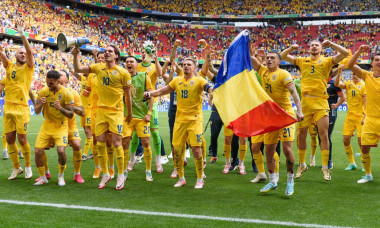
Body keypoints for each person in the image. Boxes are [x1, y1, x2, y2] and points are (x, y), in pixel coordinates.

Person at [281, 40, 349, 181]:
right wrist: (290, 48)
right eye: (311, 45)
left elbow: (345, 53)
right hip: (305, 102)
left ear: (321, 49)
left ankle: (325, 168)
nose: (314, 46)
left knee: (323, 135)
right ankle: (302, 165)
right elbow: (281, 57)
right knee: (301, 135)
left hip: (321, 101)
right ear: (309, 48)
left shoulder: (327, 61)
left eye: (316, 45)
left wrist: (331, 44)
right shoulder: (302, 60)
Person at [143, 58, 213, 189]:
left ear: (194, 68)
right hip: (179, 120)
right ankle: (181, 178)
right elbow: (161, 91)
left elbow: (208, 87)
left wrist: (211, 91)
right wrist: (149, 93)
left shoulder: (199, 80)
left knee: (196, 150)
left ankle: (199, 178)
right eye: (184, 64)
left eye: (189, 65)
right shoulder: (177, 80)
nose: (186, 66)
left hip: (194, 120)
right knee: (177, 150)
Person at [73, 45, 132, 190]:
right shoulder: (98, 67)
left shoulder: (123, 73)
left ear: (116, 55)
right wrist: (75, 55)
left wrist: (129, 113)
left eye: (110, 51)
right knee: (100, 143)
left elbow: (128, 95)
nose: (106, 53)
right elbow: (79, 69)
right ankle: (105, 173)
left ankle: (120, 175)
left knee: (117, 143)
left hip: (116, 112)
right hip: (100, 111)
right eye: (105, 51)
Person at [249, 48, 303, 196]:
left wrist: (299, 110)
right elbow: (251, 57)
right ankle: (273, 180)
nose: (269, 60)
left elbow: (293, 92)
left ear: (279, 61)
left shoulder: (283, 74)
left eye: (272, 58)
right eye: (267, 57)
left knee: (286, 150)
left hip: (285, 116)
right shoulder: (262, 71)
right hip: (270, 117)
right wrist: (246, 41)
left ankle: (290, 180)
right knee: (268, 151)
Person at [0, 21, 34, 180]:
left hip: (21, 108)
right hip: (8, 107)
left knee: (22, 139)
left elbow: (30, 52)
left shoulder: (28, 68)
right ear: (15, 55)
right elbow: (2, 56)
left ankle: (27, 165)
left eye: (24, 53)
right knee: (9, 139)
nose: (23, 54)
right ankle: (16, 168)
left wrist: (22, 34)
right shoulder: (10, 67)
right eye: (20, 53)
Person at [33, 70, 75, 186]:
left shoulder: (67, 93)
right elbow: (36, 111)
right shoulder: (43, 91)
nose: (49, 85)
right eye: (47, 82)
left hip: (61, 125)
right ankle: (43, 177)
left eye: (51, 83)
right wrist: (41, 104)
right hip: (47, 124)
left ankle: (61, 176)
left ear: (58, 81)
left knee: (61, 151)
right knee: (37, 151)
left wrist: (60, 108)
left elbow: (71, 114)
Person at [347, 45, 380, 184]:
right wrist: (359, 51)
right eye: (376, 60)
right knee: (365, 147)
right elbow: (350, 65)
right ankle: (368, 175)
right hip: (371, 119)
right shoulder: (367, 75)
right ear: (371, 63)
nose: (379, 62)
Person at [129, 45, 164, 172]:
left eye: (146, 52)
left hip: (151, 101)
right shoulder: (137, 65)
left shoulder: (154, 66)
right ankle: (132, 159)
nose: (143, 54)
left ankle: (158, 160)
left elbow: (160, 74)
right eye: (142, 52)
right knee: (134, 134)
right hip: (137, 104)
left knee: (154, 132)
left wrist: (156, 58)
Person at [122, 56, 154, 182]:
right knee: (124, 143)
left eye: (131, 62)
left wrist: (149, 113)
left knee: (146, 143)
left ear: (136, 64)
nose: (129, 63)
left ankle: (148, 170)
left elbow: (151, 96)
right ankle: (123, 170)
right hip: (127, 117)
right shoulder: (122, 77)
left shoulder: (144, 76)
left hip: (142, 117)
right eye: (127, 62)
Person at [334, 64, 366, 170]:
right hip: (349, 116)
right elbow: (337, 83)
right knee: (345, 139)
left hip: (360, 117)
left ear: (359, 75)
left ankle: (363, 163)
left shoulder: (364, 85)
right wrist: (339, 72)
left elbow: (366, 102)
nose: (353, 75)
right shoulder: (348, 84)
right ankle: (352, 163)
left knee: (361, 141)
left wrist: (365, 116)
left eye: (355, 74)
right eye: (352, 74)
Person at [59, 70, 86, 182]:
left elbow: (82, 112)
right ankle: (45, 173)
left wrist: (71, 106)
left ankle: (77, 174)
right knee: (40, 149)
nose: (58, 76)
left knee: (77, 145)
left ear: (67, 79)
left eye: (61, 75)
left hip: (71, 125)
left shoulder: (73, 93)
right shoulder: (51, 91)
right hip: (56, 126)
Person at [324, 67, 346, 169]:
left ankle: (329, 161)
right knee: (321, 137)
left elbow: (343, 97)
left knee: (327, 136)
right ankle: (324, 160)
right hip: (320, 112)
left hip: (331, 113)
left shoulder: (334, 84)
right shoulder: (320, 82)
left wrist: (336, 105)